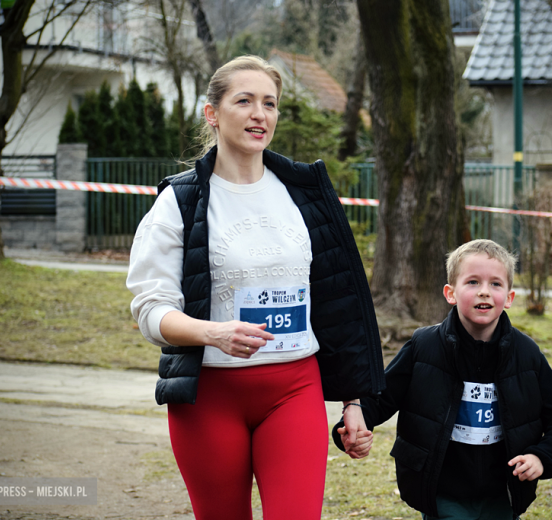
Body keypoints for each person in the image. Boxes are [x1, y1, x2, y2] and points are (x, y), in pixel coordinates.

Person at [126, 55, 384, 520]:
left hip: (295, 390)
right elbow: (150, 311)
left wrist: (353, 401)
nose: (259, 114)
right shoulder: (178, 202)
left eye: (270, 103)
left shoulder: (307, 194)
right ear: (212, 113)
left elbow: (339, 306)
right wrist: (212, 333)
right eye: (244, 101)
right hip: (209, 396)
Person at [334, 239, 552, 520]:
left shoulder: (526, 354)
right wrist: (352, 425)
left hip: (504, 493)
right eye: (473, 282)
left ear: (509, 297)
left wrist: (541, 457)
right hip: (442, 492)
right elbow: (380, 398)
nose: (484, 291)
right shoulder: (423, 347)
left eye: (496, 284)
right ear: (450, 293)